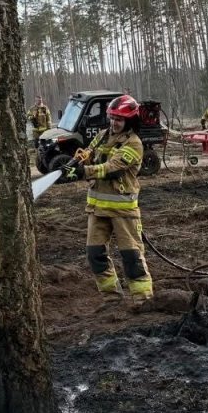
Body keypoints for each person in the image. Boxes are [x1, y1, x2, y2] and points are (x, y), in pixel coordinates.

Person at [62, 94, 154, 303]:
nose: (114, 123)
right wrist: (74, 163)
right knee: (95, 254)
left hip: (123, 211)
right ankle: (111, 299)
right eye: (112, 118)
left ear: (130, 120)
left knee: (131, 257)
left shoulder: (134, 143)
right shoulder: (102, 135)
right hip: (97, 209)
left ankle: (143, 300)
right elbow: (88, 153)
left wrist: (83, 172)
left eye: (119, 119)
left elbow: (112, 168)